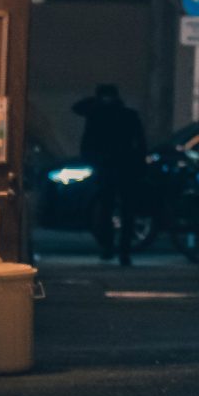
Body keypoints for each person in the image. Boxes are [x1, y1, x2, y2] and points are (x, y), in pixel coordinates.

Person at [72, 82, 148, 266]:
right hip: (125, 168)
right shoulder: (126, 115)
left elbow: (78, 110)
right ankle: (123, 251)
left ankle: (110, 248)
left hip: (108, 168)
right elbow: (141, 143)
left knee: (107, 209)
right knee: (125, 211)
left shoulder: (97, 115)